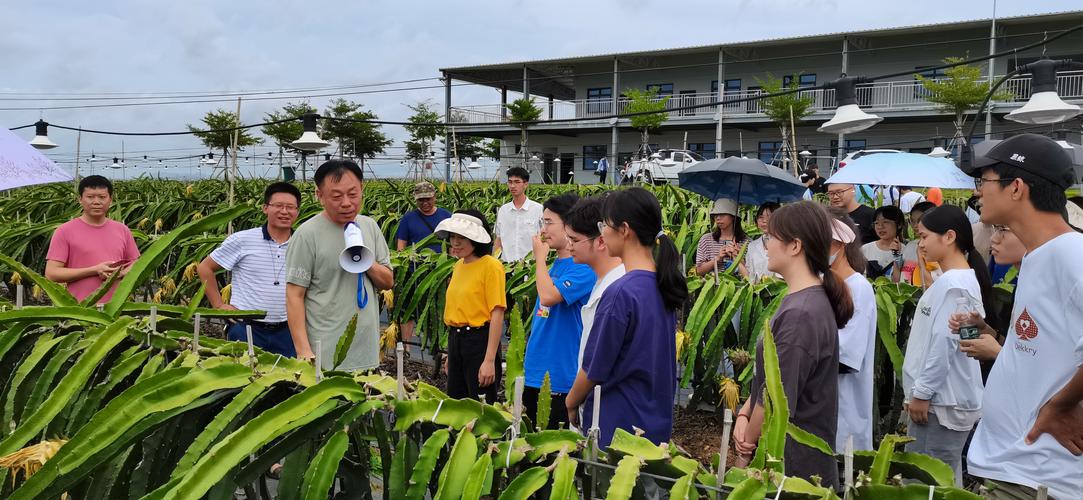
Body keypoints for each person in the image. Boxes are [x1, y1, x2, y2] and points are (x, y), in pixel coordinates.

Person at [962, 133, 1083, 500]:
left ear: (1016, 188)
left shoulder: (1071, 255)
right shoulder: (1037, 256)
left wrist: (1060, 406)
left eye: (984, 181)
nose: (979, 192)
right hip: (1015, 465)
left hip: (1042, 474)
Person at [734, 201, 853, 489]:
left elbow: (777, 398)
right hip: (792, 463)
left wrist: (744, 451)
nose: (767, 245)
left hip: (793, 472)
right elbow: (770, 380)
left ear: (795, 246)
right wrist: (743, 412)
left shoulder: (801, 314)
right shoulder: (803, 300)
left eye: (773, 237)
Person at [565, 187, 688, 447]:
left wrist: (571, 401)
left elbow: (593, 368)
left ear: (624, 230)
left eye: (604, 225)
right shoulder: (661, 284)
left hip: (618, 429)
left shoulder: (620, 292)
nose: (602, 232)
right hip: (654, 426)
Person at [902, 204, 992, 486]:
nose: (921, 243)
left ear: (949, 237)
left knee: (924, 483)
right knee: (944, 480)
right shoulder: (957, 279)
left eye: (926, 236)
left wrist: (923, 393)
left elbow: (945, 343)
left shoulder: (956, 284)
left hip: (940, 402)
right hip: (944, 400)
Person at [285, 160, 393, 370]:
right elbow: (294, 295)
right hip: (325, 351)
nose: (346, 203)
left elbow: (387, 282)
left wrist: (363, 258)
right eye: (336, 196)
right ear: (320, 196)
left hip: (366, 349)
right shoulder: (307, 235)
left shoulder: (369, 227)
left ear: (362, 189)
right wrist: (303, 350)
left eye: (353, 194)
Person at [196, 182, 301, 357]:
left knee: (289, 381)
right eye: (278, 206)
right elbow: (205, 268)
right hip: (246, 328)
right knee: (241, 379)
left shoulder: (303, 243)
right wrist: (219, 305)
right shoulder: (242, 240)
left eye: (290, 207)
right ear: (265, 208)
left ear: (297, 211)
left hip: (289, 329)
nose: (284, 211)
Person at [522, 194, 596, 429]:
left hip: (561, 376)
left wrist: (540, 260)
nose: (544, 229)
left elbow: (548, 297)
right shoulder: (556, 265)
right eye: (542, 222)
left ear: (569, 224)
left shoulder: (583, 268)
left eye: (549, 222)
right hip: (535, 369)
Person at [436, 211, 506, 402]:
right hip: (456, 339)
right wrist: (451, 353)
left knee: (480, 407)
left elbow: (497, 313)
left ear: (476, 239)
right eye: (452, 237)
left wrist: (489, 360)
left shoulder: (491, 266)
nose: (455, 242)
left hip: (479, 342)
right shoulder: (459, 265)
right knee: (456, 404)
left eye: (462, 237)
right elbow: (458, 311)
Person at [827, 209, 877, 452]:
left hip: (845, 411)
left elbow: (846, 355)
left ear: (840, 243)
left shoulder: (859, 288)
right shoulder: (825, 283)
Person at [45, 175, 139, 302]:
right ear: (80, 199)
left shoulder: (122, 230)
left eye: (102, 197)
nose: (96, 202)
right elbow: (52, 273)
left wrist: (120, 273)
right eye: (90, 197)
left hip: (117, 307)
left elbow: (137, 263)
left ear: (110, 200)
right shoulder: (64, 231)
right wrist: (94, 270)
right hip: (79, 309)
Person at [563, 196, 626, 366]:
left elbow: (598, 363)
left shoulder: (616, 290)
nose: (569, 246)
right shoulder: (604, 281)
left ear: (601, 240)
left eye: (574, 240)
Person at [394, 181, 452, 344]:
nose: (425, 203)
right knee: (408, 308)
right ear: (415, 199)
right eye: (421, 200)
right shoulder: (408, 218)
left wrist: (452, 269)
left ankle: (442, 347)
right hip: (413, 271)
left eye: (428, 199)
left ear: (435, 197)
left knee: (440, 308)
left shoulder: (446, 216)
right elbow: (401, 245)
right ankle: (405, 347)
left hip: (441, 271)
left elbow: (454, 243)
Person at [493, 167, 543, 262]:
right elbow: (498, 239)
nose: (512, 186)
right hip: (507, 265)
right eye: (510, 182)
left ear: (525, 184)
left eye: (517, 182)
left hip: (530, 266)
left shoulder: (538, 209)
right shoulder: (503, 210)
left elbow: (544, 239)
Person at [694, 198, 748, 276]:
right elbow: (699, 271)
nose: (718, 218)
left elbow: (752, 273)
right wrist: (718, 258)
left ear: (733, 216)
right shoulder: (706, 240)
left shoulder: (747, 242)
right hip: (712, 286)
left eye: (722, 214)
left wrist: (738, 257)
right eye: (715, 215)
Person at [861, 205, 907, 280]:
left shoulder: (905, 250)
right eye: (876, 223)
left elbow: (899, 282)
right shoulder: (865, 249)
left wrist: (896, 254)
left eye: (885, 222)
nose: (880, 227)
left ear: (899, 224)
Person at [902, 201, 938, 286]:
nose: (915, 225)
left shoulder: (938, 249)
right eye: (912, 221)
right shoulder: (910, 245)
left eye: (919, 221)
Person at [742, 202, 780, 283]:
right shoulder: (752, 246)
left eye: (769, 217)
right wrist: (736, 257)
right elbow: (749, 275)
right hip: (757, 292)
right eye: (761, 217)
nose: (764, 221)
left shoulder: (787, 244)